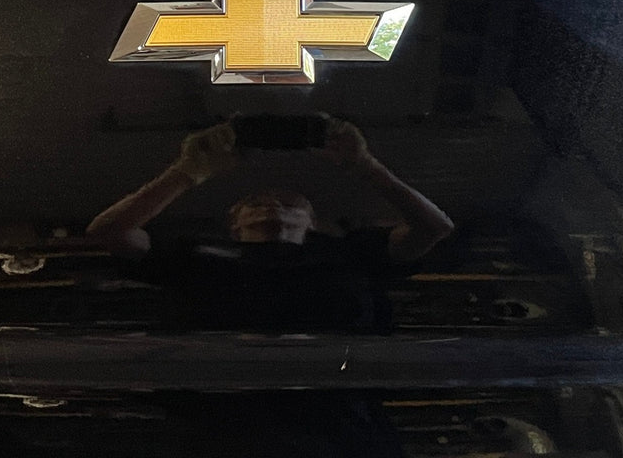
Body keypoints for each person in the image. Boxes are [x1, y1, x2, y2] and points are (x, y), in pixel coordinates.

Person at [87, 116, 454, 333]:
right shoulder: (197, 253)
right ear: (234, 224)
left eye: (291, 204)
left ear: (313, 223)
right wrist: (187, 172)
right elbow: (109, 231)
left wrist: (366, 166)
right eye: (256, 203)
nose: (274, 205)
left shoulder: (350, 252)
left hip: (335, 409)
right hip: (217, 409)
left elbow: (434, 228)